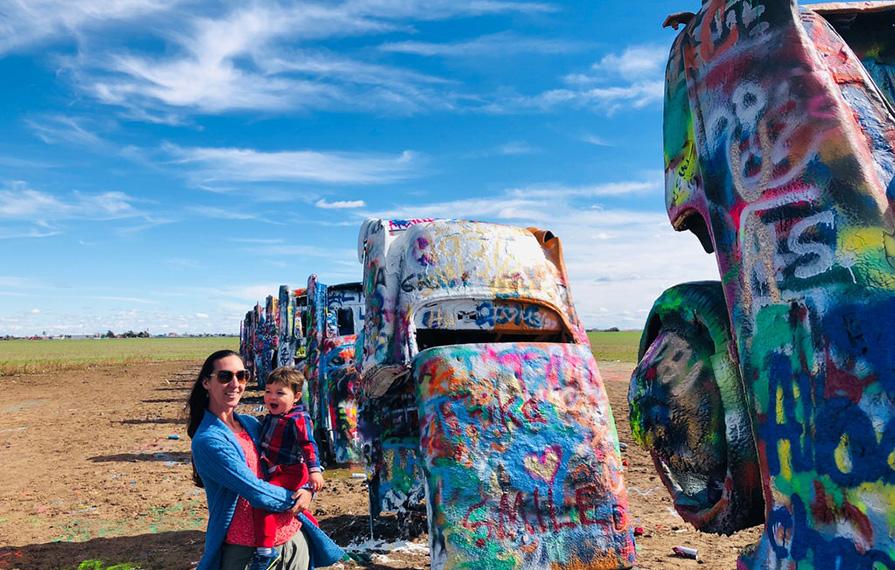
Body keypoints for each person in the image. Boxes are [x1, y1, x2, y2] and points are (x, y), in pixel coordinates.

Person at [187, 350, 312, 570]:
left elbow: (295, 458)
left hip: (291, 541)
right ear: (206, 382)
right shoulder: (208, 440)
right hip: (248, 554)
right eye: (225, 376)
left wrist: (309, 488)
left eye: (241, 375)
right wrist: (298, 500)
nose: (235, 384)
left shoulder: (251, 423)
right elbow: (256, 492)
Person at [250, 367, 326, 570]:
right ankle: (307, 522)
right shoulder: (271, 417)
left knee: (264, 503)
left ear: (297, 397)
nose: (271, 397)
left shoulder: (298, 418)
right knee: (283, 504)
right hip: (276, 469)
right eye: (268, 391)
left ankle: (265, 552)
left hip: (291, 470)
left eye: (280, 393)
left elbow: (309, 445)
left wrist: (314, 470)